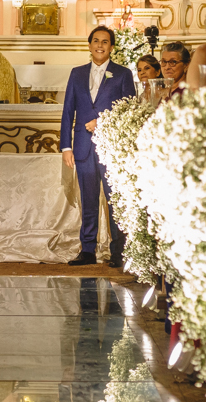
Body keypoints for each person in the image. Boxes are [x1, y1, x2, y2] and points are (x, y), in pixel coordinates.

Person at [60, 26, 137, 267]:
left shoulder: (123, 74)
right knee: (89, 199)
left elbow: (129, 110)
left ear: (112, 47)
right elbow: (67, 111)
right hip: (82, 146)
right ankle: (88, 250)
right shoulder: (77, 73)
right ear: (90, 45)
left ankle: (118, 251)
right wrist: (66, 147)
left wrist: (103, 122)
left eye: (105, 41)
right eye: (96, 41)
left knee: (115, 199)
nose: (100, 45)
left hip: (112, 146)